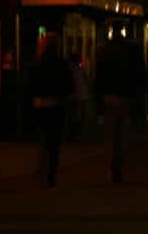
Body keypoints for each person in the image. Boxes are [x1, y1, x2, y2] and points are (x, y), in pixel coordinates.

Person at [95, 22, 145, 183]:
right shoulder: (132, 49)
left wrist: (99, 99)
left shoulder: (104, 49)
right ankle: (120, 165)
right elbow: (139, 73)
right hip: (126, 96)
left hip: (109, 96)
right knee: (123, 132)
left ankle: (113, 165)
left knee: (111, 133)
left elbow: (99, 75)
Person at [29, 32, 73, 188]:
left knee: (43, 139)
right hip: (56, 105)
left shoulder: (37, 63)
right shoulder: (61, 63)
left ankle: (42, 169)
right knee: (54, 141)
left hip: (40, 105)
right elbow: (68, 86)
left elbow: (30, 84)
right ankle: (51, 174)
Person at [67, 53, 90, 141]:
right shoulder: (78, 69)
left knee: (74, 115)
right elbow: (86, 80)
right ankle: (77, 133)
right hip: (81, 95)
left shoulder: (70, 68)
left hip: (75, 96)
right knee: (79, 116)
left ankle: (74, 133)